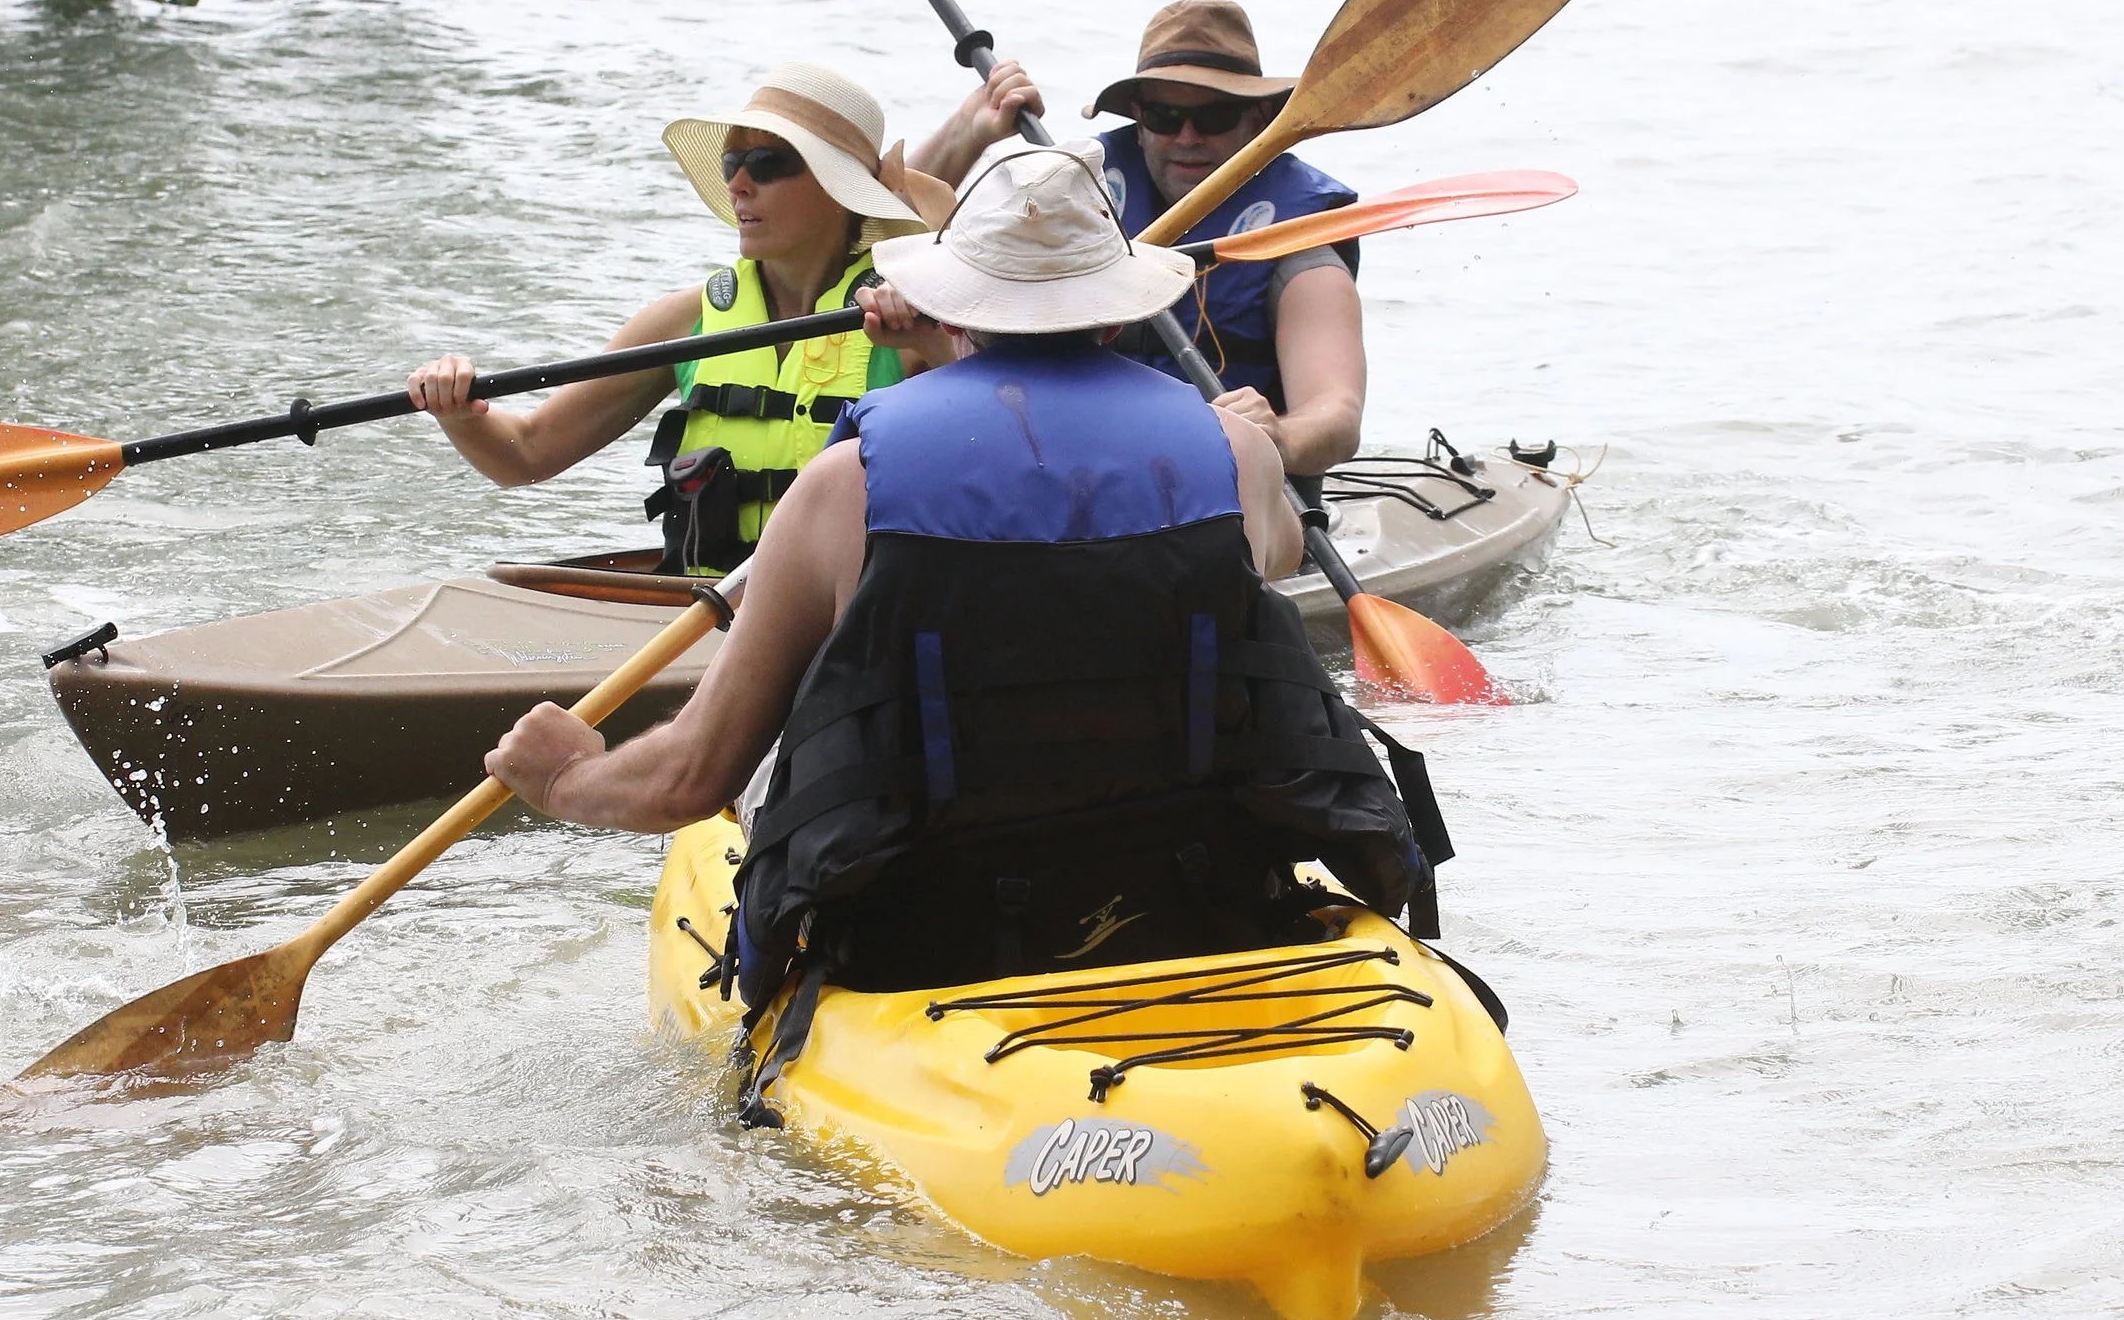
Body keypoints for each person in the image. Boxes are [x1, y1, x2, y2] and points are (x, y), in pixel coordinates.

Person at [486, 140, 1425, 1025]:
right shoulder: (1239, 455)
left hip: (925, 931)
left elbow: (689, 779)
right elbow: (1249, 577)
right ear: (1117, 311)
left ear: (953, 307)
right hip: (1193, 897)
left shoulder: (843, 488)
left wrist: (567, 777)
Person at [409, 63, 954, 575]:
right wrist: (461, 414)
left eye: (765, 164)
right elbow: (526, 454)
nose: (738, 184)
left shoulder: (909, 323)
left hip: (844, 616)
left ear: (840, 189)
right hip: (702, 609)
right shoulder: (687, 319)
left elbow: (1008, 451)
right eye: (731, 165)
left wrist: (934, 346)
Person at [912, 0, 1366, 477]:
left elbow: (1336, 412)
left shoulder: (1299, 240)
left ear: (1257, 119)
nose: (1188, 137)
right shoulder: (1077, 192)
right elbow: (877, 228)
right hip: (1071, 475)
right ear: (1138, 118)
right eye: (1165, 116)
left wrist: (1281, 438)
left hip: (1224, 491)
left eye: (1215, 117)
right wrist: (967, 134)